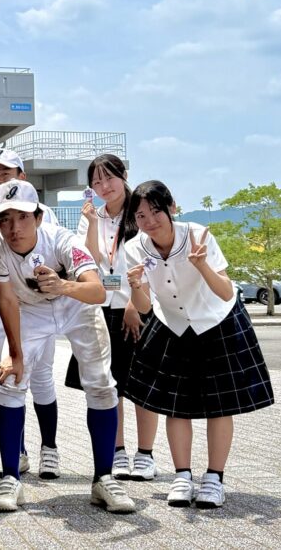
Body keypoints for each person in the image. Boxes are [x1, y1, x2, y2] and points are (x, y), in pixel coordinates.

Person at [0, 179, 135, 513]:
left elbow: (98, 292)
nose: (14, 227)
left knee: (101, 385)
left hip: (75, 305)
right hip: (30, 309)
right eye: (5, 219)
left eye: (22, 217)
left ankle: (103, 478)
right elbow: (6, 299)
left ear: (38, 217)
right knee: (10, 381)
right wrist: (15, 355)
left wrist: (63, 285)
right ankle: (11, 477)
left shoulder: (63, 239)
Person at [124, 180, 274, 509]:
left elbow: (225, 291)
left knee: (219, 405)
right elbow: (145, 306)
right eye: (141, 215)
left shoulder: (198, 235)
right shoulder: (135, 248)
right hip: (174, 324)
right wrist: (135, 286)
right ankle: (182, 476)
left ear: (171, 207)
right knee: (176, 404)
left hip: (216, 320)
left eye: (155, 211)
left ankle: (214, 478)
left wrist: (201, 264)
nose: (149, 221)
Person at [0, 147, 62, 478]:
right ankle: (17, 451)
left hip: (37, 304)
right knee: (8, 375)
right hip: (0, 300)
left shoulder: (42, 213)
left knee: (42, 375)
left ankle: (49, 448)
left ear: (22, 176)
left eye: (5, 173)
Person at [64, 155, 159, 481]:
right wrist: (92, 224)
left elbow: (153, 260)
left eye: (109, 178)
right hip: (102, 308)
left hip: (139, 307)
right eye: (96, 182)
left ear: (124, 175)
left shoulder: (142, 211)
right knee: (110, 384)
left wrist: (134, 304)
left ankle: (145, 454)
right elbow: (89, 261)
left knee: (142, 384)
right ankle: (117, 452)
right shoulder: (92, 216)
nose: (104, 186)